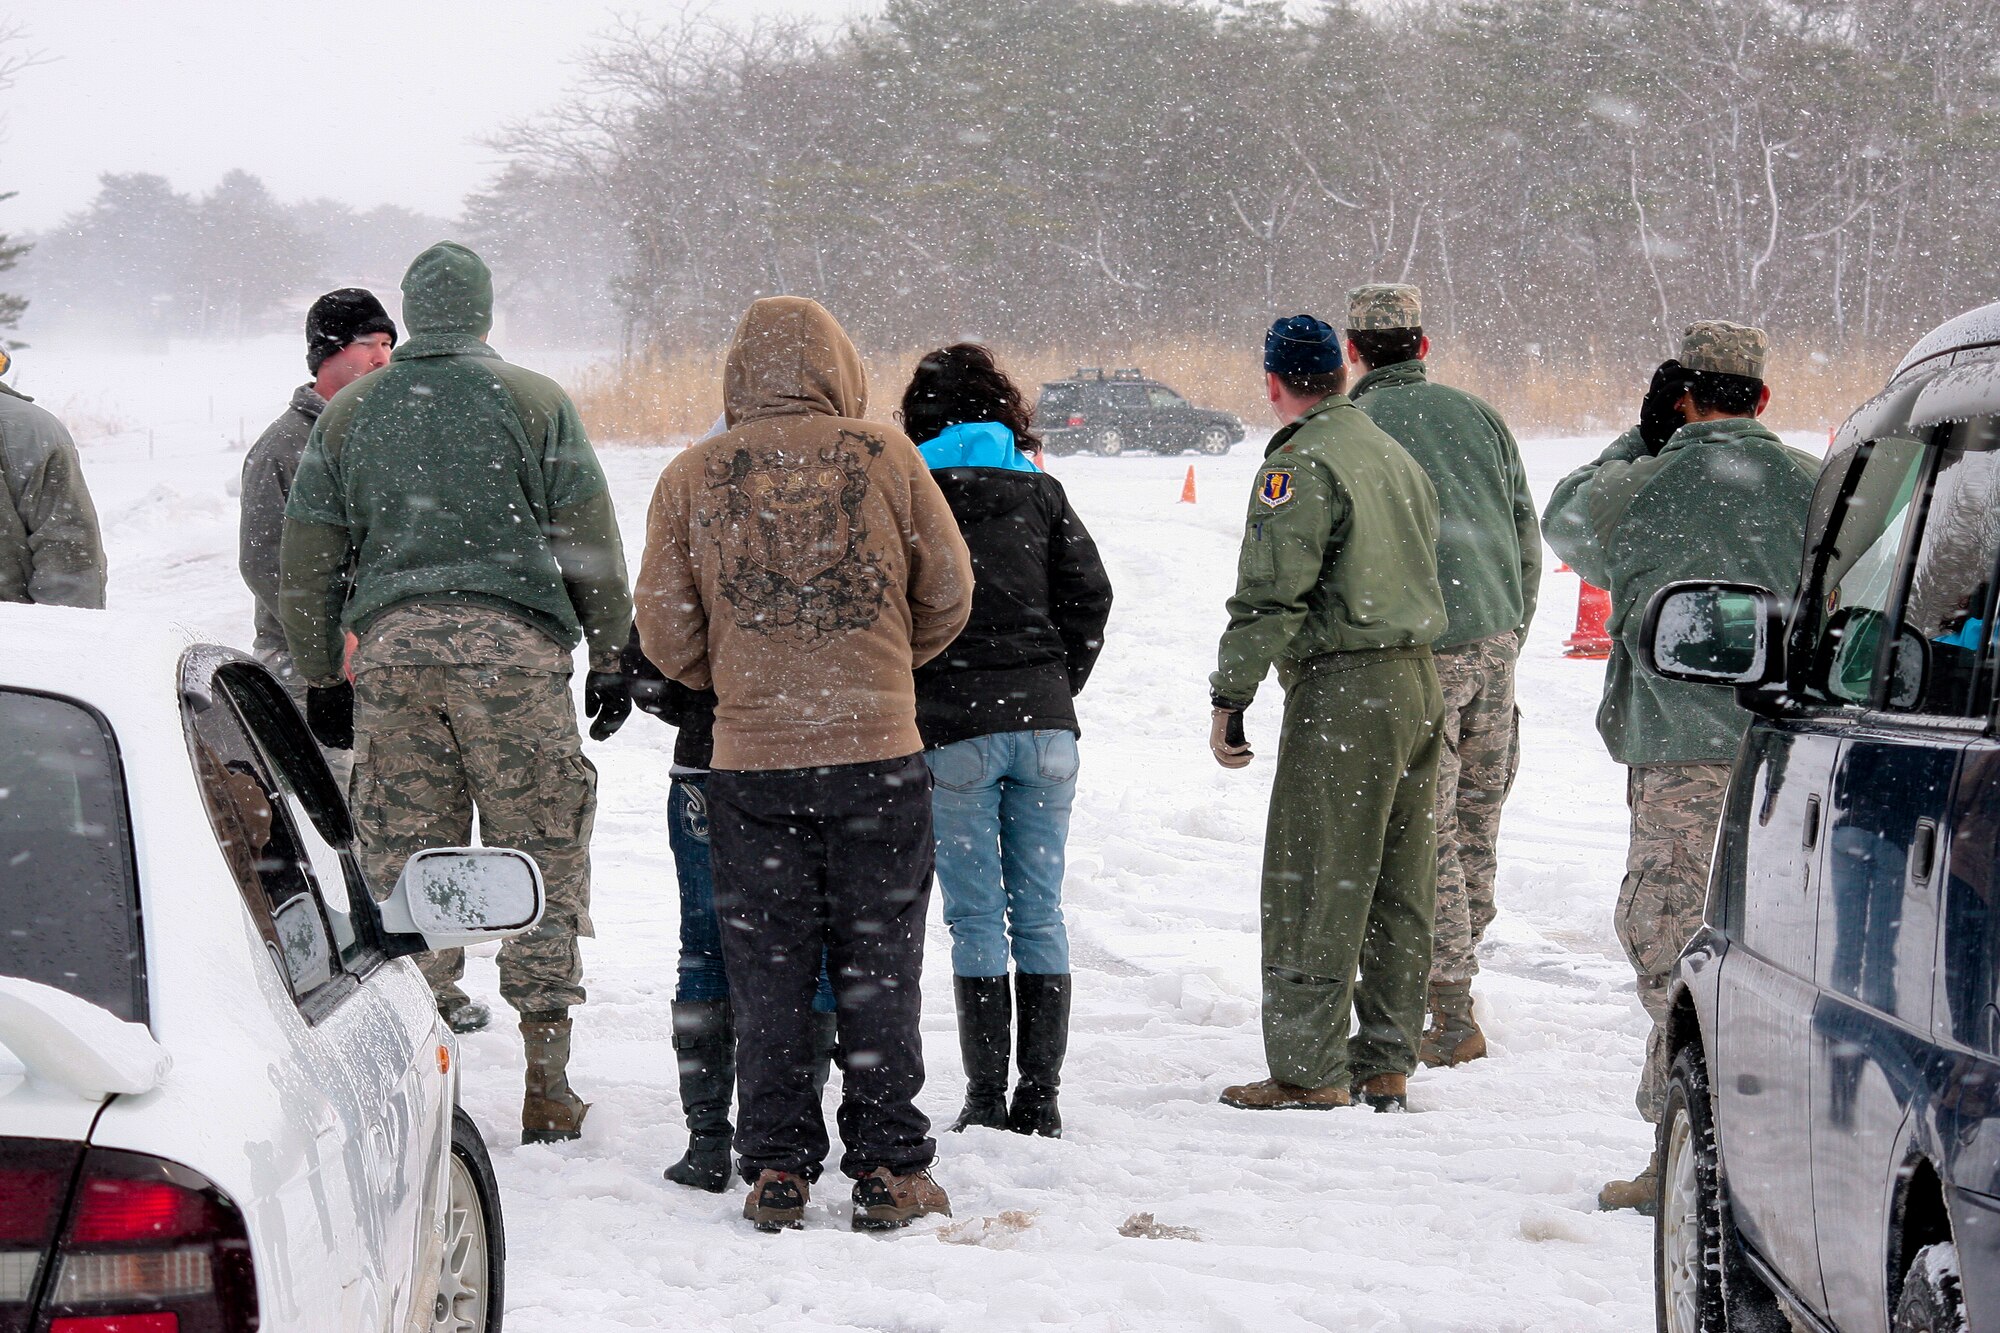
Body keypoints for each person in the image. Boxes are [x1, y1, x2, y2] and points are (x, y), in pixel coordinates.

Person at [279, 241, 635, 1142]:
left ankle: (418, 1058)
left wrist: (323, 668)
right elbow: (587, 531)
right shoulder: (535, 399)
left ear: (413, 310)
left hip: (395, 662)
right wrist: (612, 648)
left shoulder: (351, 412)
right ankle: (548, 1082)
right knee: (540, 847)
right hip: (515, 660)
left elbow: (309, 553)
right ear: (481, 313)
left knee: (408, 855)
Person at [635, 296, 973, 1232]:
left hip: (752, 764)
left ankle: (776, 1165)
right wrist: (880, 667)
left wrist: (748, 677)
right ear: (838, 364)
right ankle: (890, 1165)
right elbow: (949, 592)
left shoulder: (691, 476)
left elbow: (666, 631)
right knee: (880, 961)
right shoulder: (888, 458)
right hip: (878, 755)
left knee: (768, 967)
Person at [1542, 320, 1816, 1211]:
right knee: (1777, 951)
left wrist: (1647, 434)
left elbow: (1567, 517)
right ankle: (1772, 1156)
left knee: (1670, 941)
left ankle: (1685, 1152)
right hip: (1790, 756)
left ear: (1682, 397)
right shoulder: (1817, 486)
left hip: (1676, 756)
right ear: (1764, 399)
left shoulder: (1645, 482)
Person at [1209, 315, 1446, 1113]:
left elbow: (1274, 590)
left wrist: (1230, 692)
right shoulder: (1389, 452)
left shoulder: (1302, 463)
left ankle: (1310, 1067)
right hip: (1418, 681)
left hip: (1347, 687)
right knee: (1399, 878)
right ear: (1340, 374)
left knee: (1316, 874)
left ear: (1274, 382)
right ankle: (1386, 1056)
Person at [899, 343, 1114, 1139]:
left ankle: (988, 1097)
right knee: (1041, 912)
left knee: (977, 916)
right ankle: (1043, 1096)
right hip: (1046, 726)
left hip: (955, 729)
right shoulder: (1042, 491)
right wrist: (1058, 682)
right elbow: (1092, 595)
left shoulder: (915, 493)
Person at [1343, 284, 1540, 1069]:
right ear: (1422, 346)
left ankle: (1450, 1004)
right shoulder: (1482, 416)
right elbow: (1524, 525)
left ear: (1354, 350)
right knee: (1478, 818)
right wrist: (1511, 626)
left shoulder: (1353, 426)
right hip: (1494, 637)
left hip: (1417, 648)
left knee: (1428, 828)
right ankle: (1458, 967)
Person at [623, 624, 841, 1194]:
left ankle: (708, 1142)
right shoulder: (837, 540)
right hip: (811, 759)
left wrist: (705, 704)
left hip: (707, 758)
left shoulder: (696, 537)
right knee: (808, 948)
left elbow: (649, 662)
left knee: (704, 949)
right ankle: (788, 1139)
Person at [239, 288, 397, 783]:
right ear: (329, 351)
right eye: (369, 343)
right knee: (328, 814)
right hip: (306, 669)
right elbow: (264, 563)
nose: (383, 358)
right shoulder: (283, 447)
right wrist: (332, 640)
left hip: (384, 659)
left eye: (390, 345)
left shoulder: (386, 434)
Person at [0, 349, 105, 609]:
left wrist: (61, 636)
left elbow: (69, 558)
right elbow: (70, 558)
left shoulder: (24, 431)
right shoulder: (28, 428)